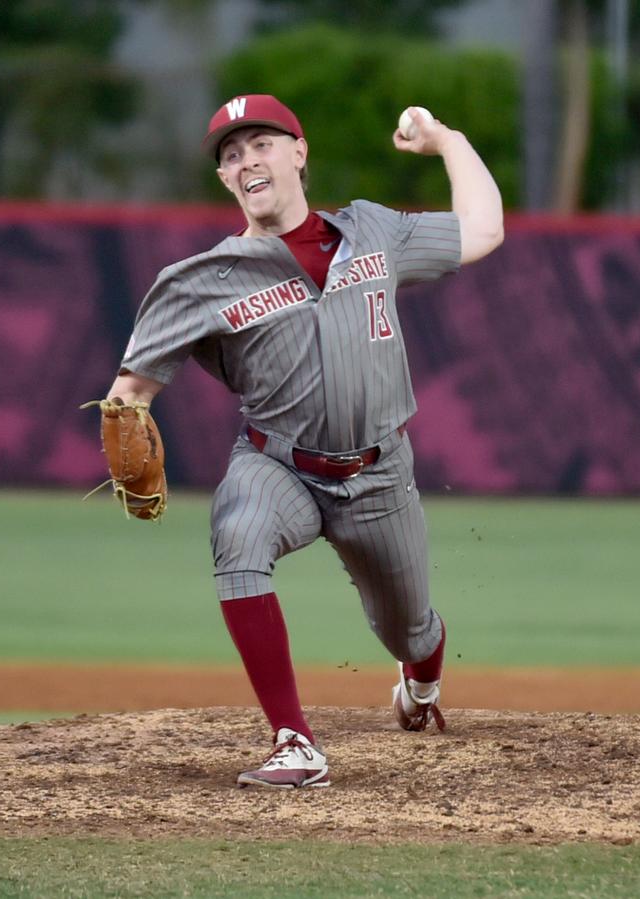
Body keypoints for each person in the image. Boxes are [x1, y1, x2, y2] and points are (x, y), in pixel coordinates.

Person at [102, 94, 504, 788]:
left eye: (260, 144)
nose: (245, 160)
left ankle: (421, 683)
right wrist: (124, 418)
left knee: (411, 630)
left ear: (299, 151)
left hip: (379, 475)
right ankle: (294, 739)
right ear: (225, 181)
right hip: (277, 463)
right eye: (230, 155)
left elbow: (484, 229)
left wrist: (450, 140)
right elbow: (128, 392)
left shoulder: (372, 231)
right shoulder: (202, 281)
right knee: (237, 533)